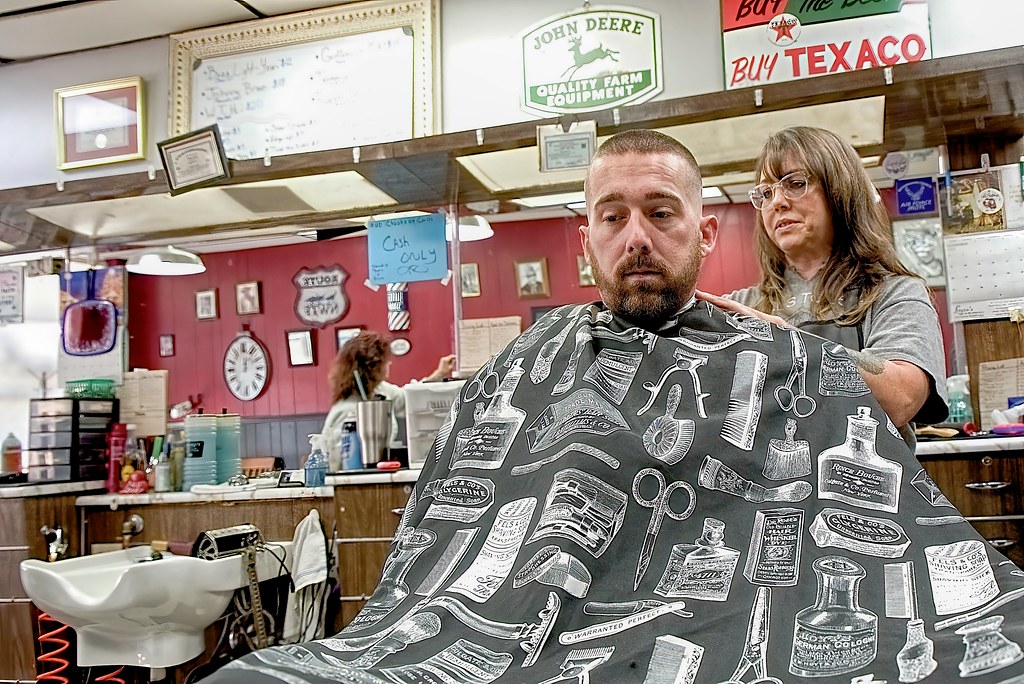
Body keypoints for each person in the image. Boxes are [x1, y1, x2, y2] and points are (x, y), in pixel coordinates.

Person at [205, 130, 1024, 683]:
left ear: (704, 235)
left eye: (661, 214)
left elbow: (904, 396)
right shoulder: (730, 307)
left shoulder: (886, 296)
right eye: (613, 217)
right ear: (584, 242)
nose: (637, 237)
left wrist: (789, 344)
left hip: (820, 548)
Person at [698, 126, 948, 444]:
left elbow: (902, 399)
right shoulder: (741, 306)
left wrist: (786, 340)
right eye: (766, 193)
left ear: (840, 190)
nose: (777, 202)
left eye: (796, 183)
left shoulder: (894, 294)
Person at [320, 331, 455, 453]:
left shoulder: (380, 389)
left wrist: (438, 374)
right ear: (373, 366)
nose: (389, 363)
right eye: (385, 361)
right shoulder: (347, 410)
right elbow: (338, 456)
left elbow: (408, 398)